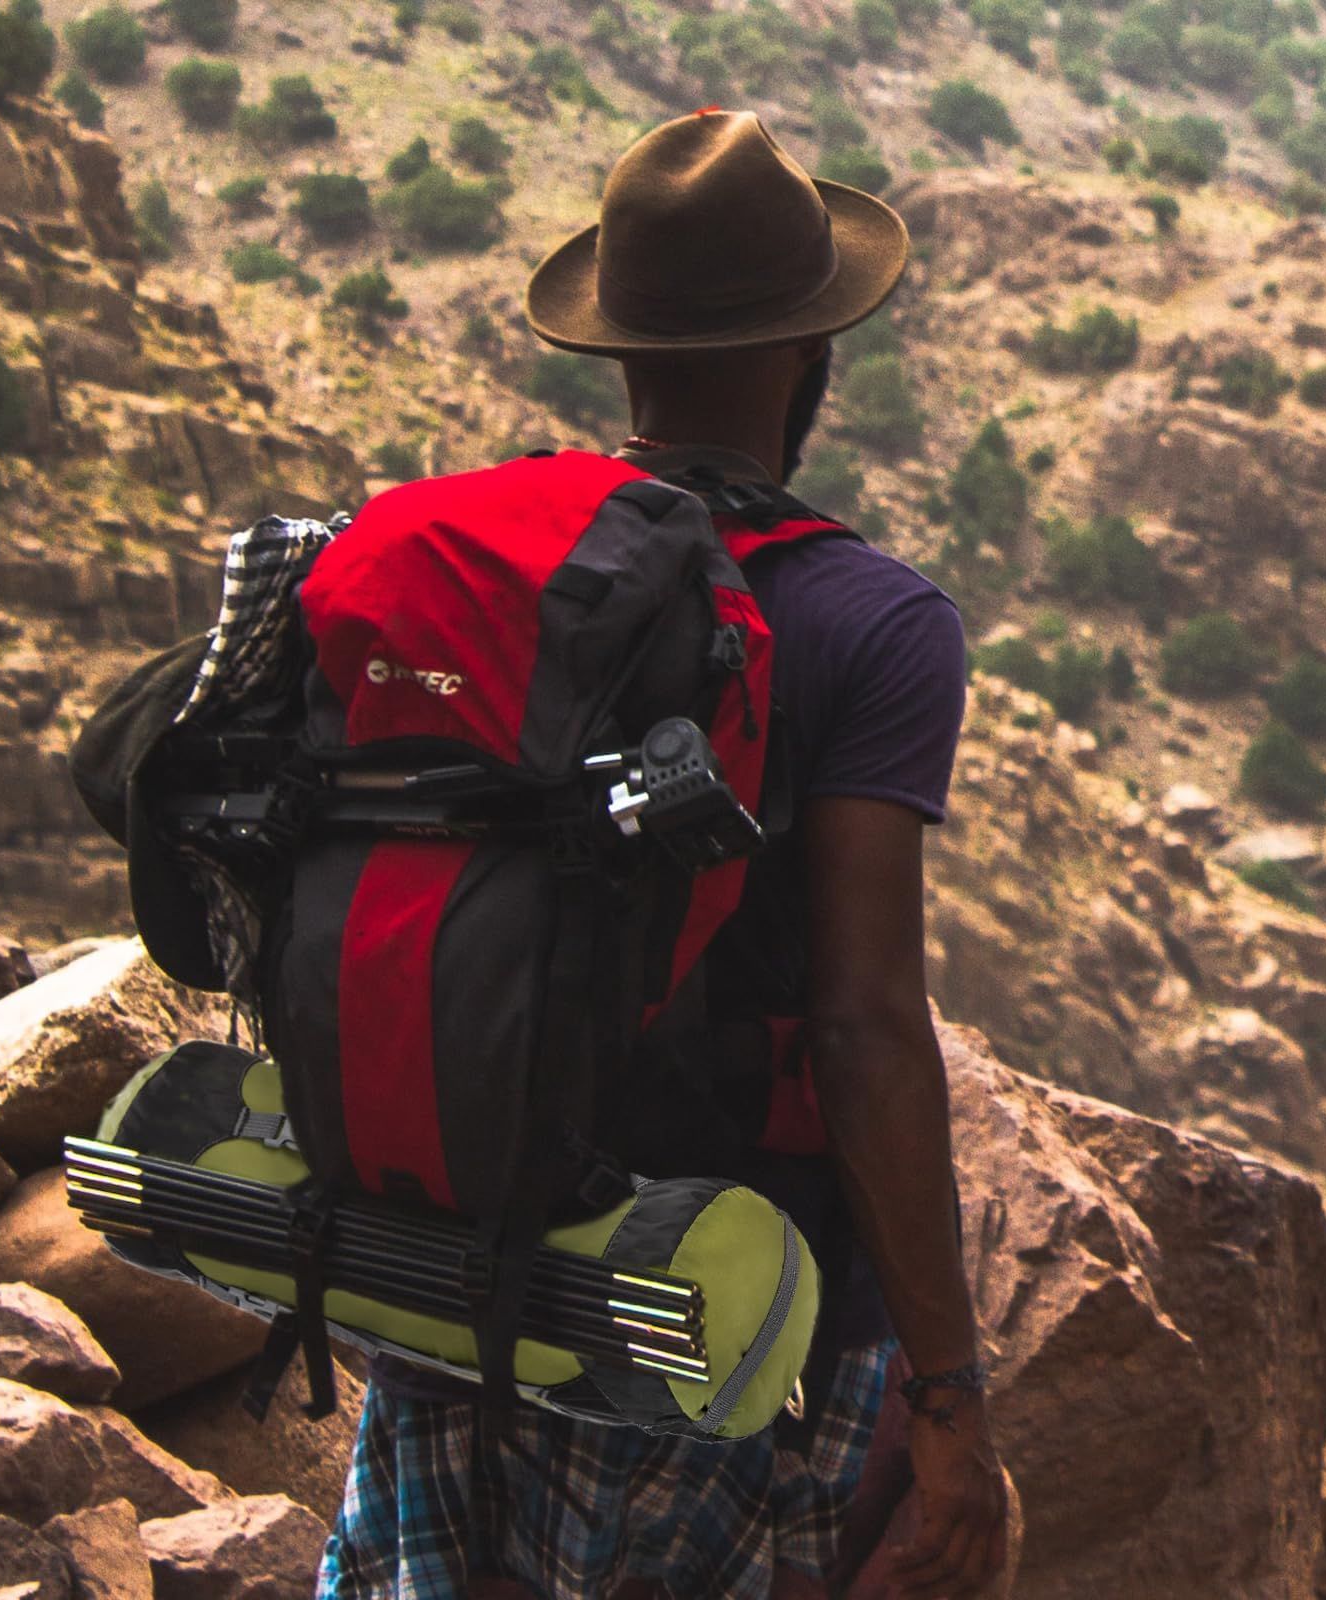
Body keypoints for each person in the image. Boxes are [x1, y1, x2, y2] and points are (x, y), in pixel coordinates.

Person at [317, 108, 1008, 1600]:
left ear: (619, 351)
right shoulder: (874, 623)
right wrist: (952, 1402)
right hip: (720, 1316)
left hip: (443, 1264)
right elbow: (864, 1024)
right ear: (809, 354)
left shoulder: (480, 573)